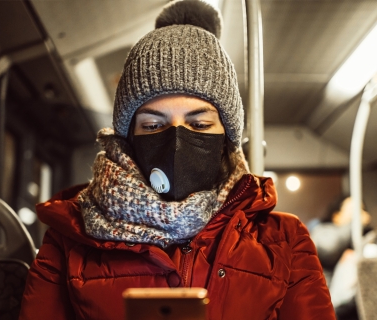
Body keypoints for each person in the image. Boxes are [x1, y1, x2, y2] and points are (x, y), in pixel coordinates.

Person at [19, 1, 334, 319]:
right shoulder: (70, 236)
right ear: (128, 139)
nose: (176, 142)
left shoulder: (284, 242)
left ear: (227, 137)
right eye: (153, 126)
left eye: (199, 125)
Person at [311, 195, 373, 320]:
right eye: (353, 211)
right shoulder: (322, 232)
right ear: (336, 216)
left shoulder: (369, 239)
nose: (360, 214)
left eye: (362, 210)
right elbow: (328, 249)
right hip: (329, 308)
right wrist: (354, 225)